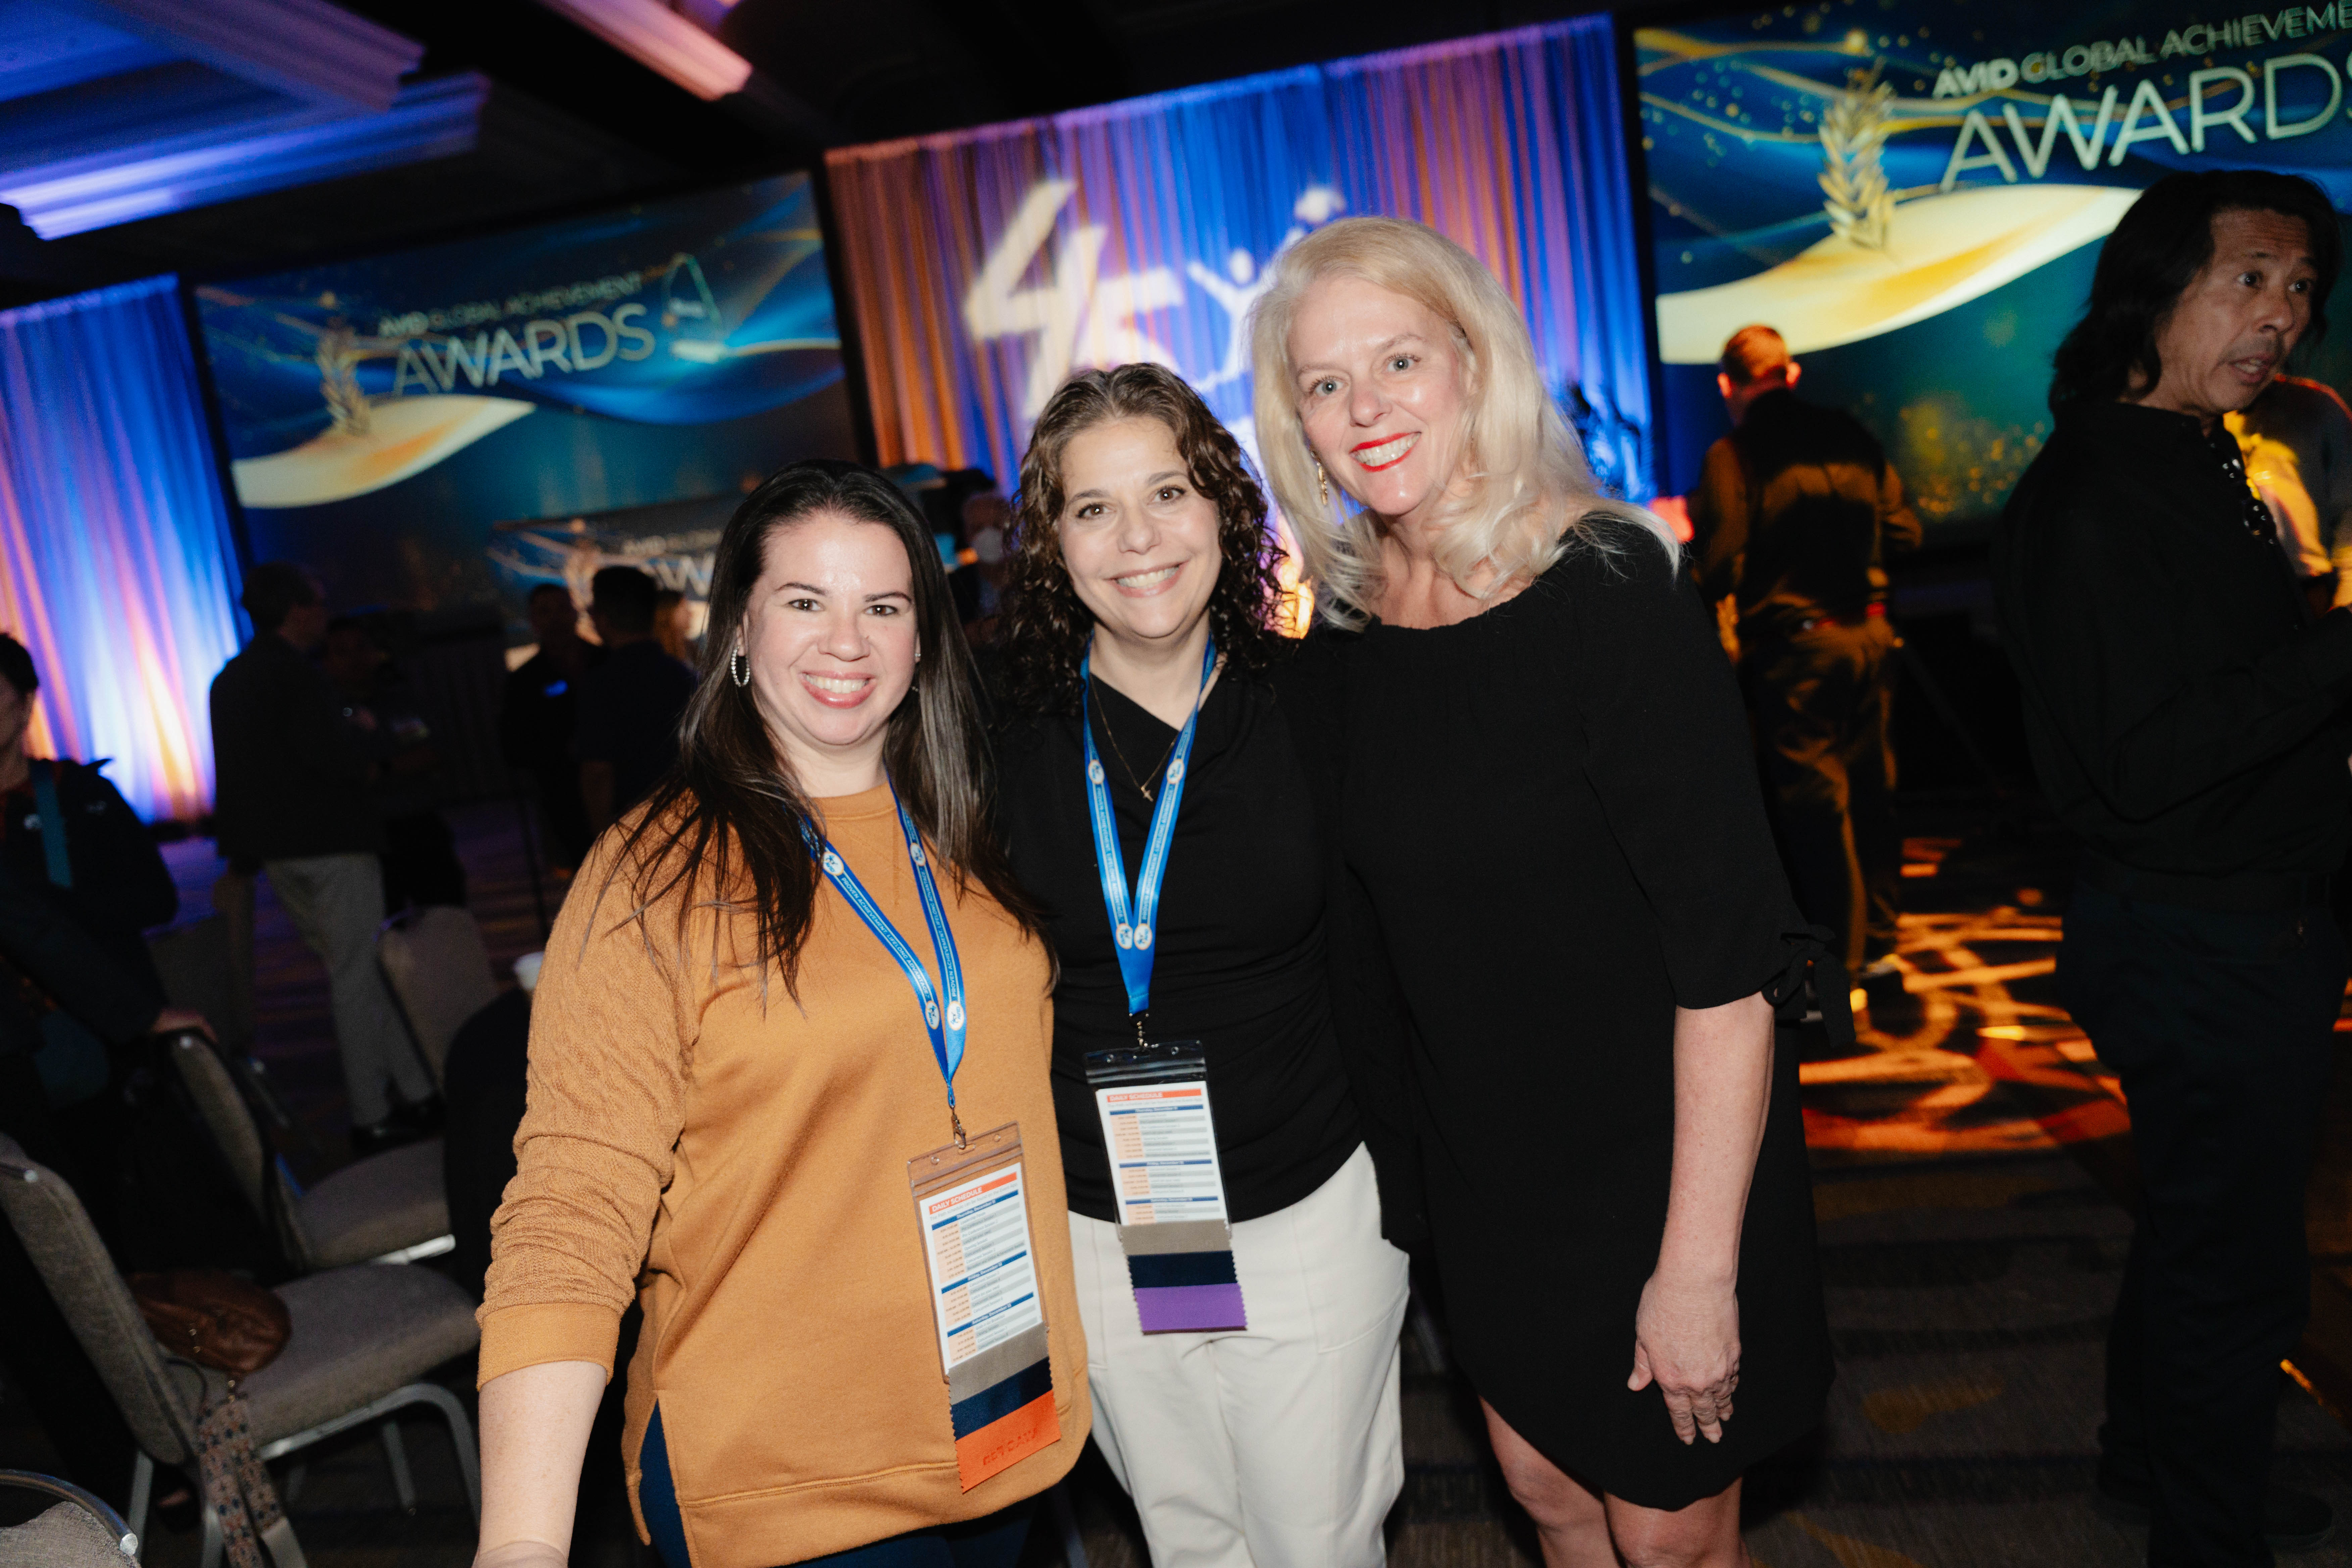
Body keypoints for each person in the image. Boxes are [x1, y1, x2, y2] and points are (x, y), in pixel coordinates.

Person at [1249, 216, 1832, 1568]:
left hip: (1662, 1153)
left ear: (1474, 360)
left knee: (1670, 1531)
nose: (1366, 408)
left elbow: (1727, 959)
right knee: (1547, 1492)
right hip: (1489, 1168)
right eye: (1325, 384)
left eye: (1398, 359)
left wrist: (1697, 1271)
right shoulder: (1339, 630)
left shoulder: (1608, 585)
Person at [471, 461, 1088, 1568]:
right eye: (805, 601)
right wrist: (521, 1540)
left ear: (920, 640)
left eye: (882, 606)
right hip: (783, 1469)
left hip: (995, 1414)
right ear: (737, 633)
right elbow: (571, 1208)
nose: (846, 640)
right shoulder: (651, 877)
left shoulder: (964, 832)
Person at [992, 365, 1416, 1568]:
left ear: (1223, 507)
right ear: (1052, 543)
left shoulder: (1319, 700)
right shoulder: (999, 734)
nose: (1138, 538)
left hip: (1307, 1205)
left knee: (1313, 1542)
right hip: (1097, 1217)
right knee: (1187, 1541)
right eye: (1092, 507)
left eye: (1168, 490)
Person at [1995, 169, 2350, 1564]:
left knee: (2198, 1229)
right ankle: (2206, 1537)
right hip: (2196, 939)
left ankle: (2151, 1462)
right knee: (2234, 1266)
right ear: (2157, 291)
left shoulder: (2191, 456)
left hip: (2226, 924)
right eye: (2250, 278)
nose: (2284, 314)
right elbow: (2147, 759)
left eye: (2303, 284)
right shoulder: (2097, 495)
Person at [1688, 326, 1921, 980]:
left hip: (1798, 652)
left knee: (1818, 809)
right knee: (1873, 792)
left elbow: (1722, 565)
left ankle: (1837, 970)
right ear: (1790, 375)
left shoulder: (1733, 455)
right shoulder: (1852, 434)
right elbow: (1905, 531)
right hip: (1872, 635)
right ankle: (1880, 944)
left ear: (1727, 385)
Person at [209, 563, 438, 1153]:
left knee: (353, 972)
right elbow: (334, 758)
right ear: (295, 612)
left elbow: (234, 779)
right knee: (356, 978)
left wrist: (240, 855)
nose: (325, 613)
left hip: (280, 854)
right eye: (317, 603)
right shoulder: (299, 679)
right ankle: (372, 1113)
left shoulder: (230, 679)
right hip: (334, 843)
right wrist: (375, 745)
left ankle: (415, 1092)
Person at [0, 632, 178, 987]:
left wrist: (61, 909)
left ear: (26, 705)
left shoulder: (79, 793)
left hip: (87, 1002)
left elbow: (156, 898)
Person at [323, 617, 466, 910]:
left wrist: (384, 769)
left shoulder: (402, 700)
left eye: (361, 647)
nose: (355, 658)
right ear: (326, 661)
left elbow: (434, 751)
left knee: (447, 916)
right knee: (385, 930)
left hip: (419, 824)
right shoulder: (324, 716)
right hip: (364, 838)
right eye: (342, 651)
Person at [574, 566, 696, 834]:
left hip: (634, 829)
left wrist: (601, 839)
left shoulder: (600, 686)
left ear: (602, 618)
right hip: (694, 820)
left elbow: (597, 772)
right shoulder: (686, 677)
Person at [500, 584, 605, 873]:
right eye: (545, 612)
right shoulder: (524, 682)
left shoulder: (606, 662)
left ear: (575, 613)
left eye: (561, 609)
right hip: (563, 804)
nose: (556, 618)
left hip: (619, 794)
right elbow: (514, 747)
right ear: (534, 621)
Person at [2227, 373, 2352, 618]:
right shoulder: (2193, 411)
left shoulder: (2316, 407)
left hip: (2308, 589)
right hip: (2232, 590)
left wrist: (2346, 601)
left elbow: (2349, 511)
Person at [652, 587, 696, 666]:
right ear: (669, 611)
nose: (690, 614)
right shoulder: (656, 650)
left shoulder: (690, 648)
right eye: (684, 608)